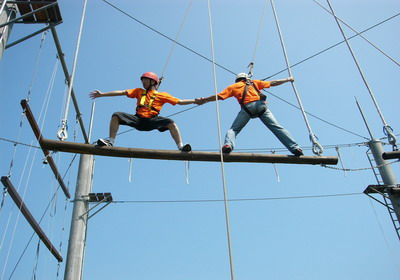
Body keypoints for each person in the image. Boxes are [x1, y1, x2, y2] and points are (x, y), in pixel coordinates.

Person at [195, 73, 303, 156]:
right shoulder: (253, 83)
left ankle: (228, 145)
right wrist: (288, 79)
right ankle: (295, 148)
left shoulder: (233, 87)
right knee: (277, 128)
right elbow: (273, 83)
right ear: (246, 78)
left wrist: (204, 100)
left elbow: (219, 96)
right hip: (261, 106)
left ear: (237, 80)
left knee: (233, 130)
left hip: (247, 108)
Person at [89, 72, 195, 151]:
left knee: (171, 123)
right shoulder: (138, 91)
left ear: (153, 82)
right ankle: (110, 141)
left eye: (145, 80)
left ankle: (180, 146)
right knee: (116, 115)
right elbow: (121, 92)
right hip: (138, 119)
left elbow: (180, 101)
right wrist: (102, 94)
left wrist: (196, 101)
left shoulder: (162, 95)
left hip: (152, 120)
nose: (143, 82)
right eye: (142, 80)